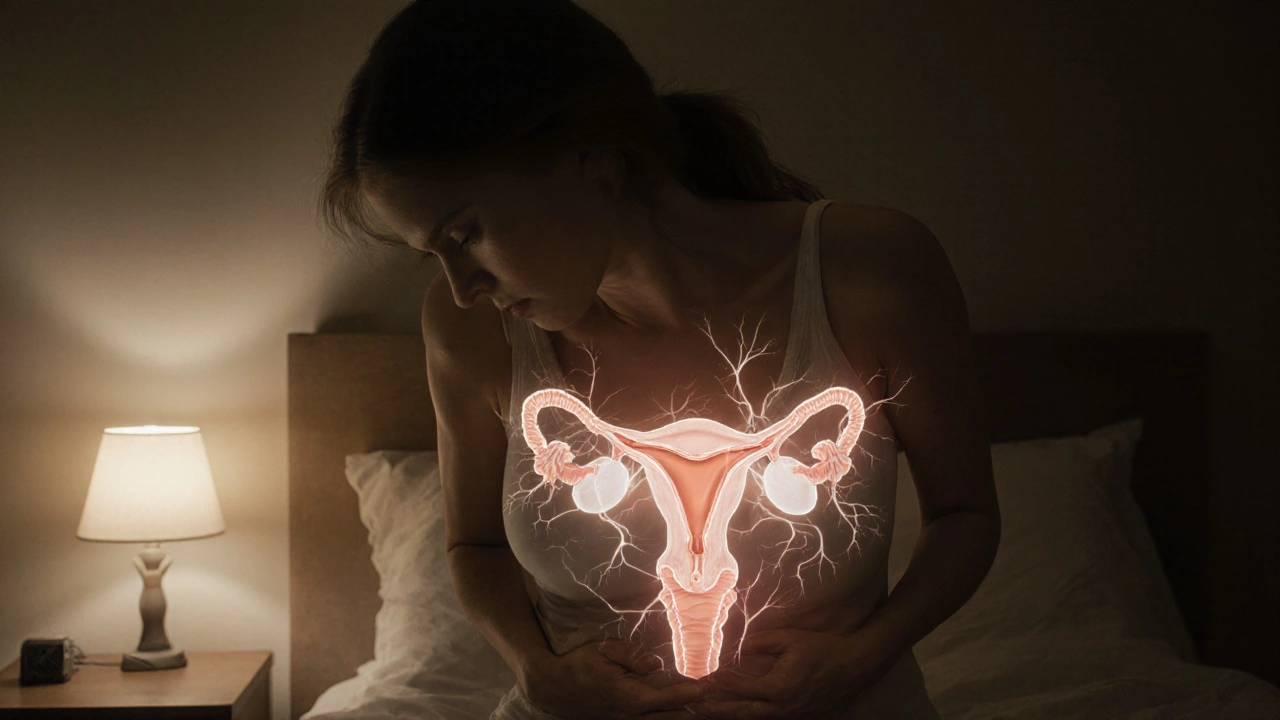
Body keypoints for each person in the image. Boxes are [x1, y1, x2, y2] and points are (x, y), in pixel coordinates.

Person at [321, 1, 1000, 718]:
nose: (462, 290)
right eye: (434, 254)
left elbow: (963, 514)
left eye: (467, 233)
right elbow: (475, 543)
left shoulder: (870, 273)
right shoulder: (476, 334)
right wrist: (535, 669)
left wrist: (862, 657)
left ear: (595, 160)